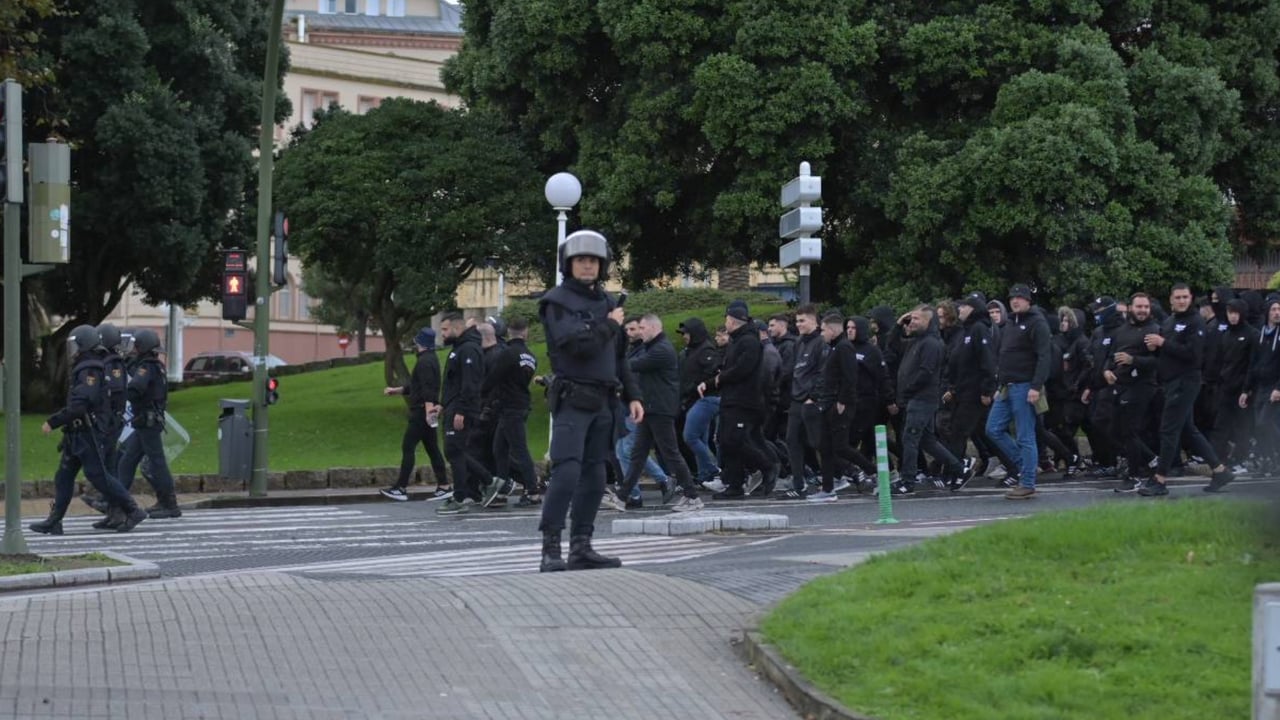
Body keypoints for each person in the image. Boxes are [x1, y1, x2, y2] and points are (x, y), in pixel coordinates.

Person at [537, 229, 642, 572]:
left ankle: (582, 545)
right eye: (581, 260)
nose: (587, 265)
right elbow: (575, 345)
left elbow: (620, 356)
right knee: (566, 472)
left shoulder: (609, 304)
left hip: (604, 400)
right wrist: (609, 326)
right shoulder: (557, 302)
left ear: (603, 265)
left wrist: (634, 394)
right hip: (573, 397)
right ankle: (550, 547)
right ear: (568, 264)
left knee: (596, 477)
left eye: (593, 260)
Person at [29, 325, 147, 535]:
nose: (72, 349)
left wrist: (53, 421)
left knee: (98, 475)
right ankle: (54, 521)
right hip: (77, 433)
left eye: (75, 344)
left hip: (87, 433)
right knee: (63, 476)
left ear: (84, 344)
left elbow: (81, 403)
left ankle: (133, 510)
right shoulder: (86, 365)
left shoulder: (90, 368)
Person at [1140, 283, 1234, 496]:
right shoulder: (1169, 321)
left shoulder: (1196, 322)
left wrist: (1163, 343)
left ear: (1190, 299)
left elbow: (1193, 355)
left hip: (1186, 381)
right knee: (1188, 430)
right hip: (1170, 382)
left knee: (1168, 430)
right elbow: (1165, 354)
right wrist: (1154, 349)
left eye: (1185, 297)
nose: (1182, 301)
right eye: (1178, 297)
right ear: (1171, 300)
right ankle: (1220, 471)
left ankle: (1160, 479)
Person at [612, 313, 703, 512]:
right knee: (637, 454)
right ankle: (622, 496)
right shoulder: (651, 347)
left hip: (660, 408)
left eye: (642, 328)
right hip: (650, 408)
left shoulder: (660, 350)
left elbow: (631, 366)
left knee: (670, 453)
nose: (639, 332)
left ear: (653, 328)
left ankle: (692, 496)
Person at [702, 301, 777, 499]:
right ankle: (734, 485)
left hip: (744, 400)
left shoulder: (749, 342)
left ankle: (766, 466)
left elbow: (743, 369)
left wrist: (720, 379)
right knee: (726, 442)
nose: (724, 323)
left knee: (735, 440)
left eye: (726, 319)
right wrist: (712, 381)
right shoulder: (737, 341)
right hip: (731, 398)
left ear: (733, 321)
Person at [894, 305, 971, 493]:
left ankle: (908, 481)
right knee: (927, 441)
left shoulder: (931, 344)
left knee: (910, 438)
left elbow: (925, 374)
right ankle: (960, 469)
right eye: (911, 319)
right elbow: (893, 345)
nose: (912, 322)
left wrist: (907, 390)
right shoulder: (916, 341)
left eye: (916, 319)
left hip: (921, 399)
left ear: (929, 322)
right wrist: (898, 325)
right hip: (916, 398)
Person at [985, 284, 1051, 500]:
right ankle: (1026, 464)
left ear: (1028, 300)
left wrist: (1036, 386)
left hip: (1025, 386)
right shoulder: (1010, 323)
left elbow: (1044, 356)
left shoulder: (1037, 322)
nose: (1015, 301)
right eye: (1012, 298)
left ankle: (1028, 481)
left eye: (1020, 298)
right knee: (993, 429)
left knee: (1025, 435)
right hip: (1007, 386)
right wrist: (999, 384)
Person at [115, 328, 182, 519]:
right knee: (127, 460)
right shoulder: (154, 365)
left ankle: (169, 504)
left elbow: (136, 388)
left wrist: (118, 395)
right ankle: (117, 500)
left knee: (157, 463)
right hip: (146, 422)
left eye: (136, 346)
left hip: (148, 422)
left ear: (142, 347)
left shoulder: (147, 367)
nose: (133, 350)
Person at [437, 312, 499, 514]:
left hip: (462, 408)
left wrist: (461, 410)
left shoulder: (469, 349)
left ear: (457, 328)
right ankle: (488, 483)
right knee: (455, 451)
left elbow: (470, 383)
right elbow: (454, 382)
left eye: (445, 329)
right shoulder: (460, 348)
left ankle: (463, 495)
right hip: (454, 406)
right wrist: (443, 404)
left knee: (455, 451)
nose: (443, 334)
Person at [381, 327, 448, 501]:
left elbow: (426, 388)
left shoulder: (424, 362)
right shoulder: (430, 359)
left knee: (408, 446)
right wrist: (397, 390)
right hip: (427, 409)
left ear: (420, 343)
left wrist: (427, 411)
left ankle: (401, 488)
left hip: (421, 411)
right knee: (433, 449)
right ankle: (444, 486)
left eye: (417, 341)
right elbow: (417, 386)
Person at [484, 317, 543, 507]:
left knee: (519, 450)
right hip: (520, 404)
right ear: (525, 332)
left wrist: (480, 395)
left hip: (510, 407)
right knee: (499, 449)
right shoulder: (531, 356)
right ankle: (501, 490)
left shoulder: (507, 354)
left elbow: (493, 378)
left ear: (509, 331)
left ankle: (532, 491)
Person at [1106, 292, 1160, 492]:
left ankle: (1135, 476)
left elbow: (1157, 362)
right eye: (1139, 306)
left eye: (1146, 307)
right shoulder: (1122, 330)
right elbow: (1111, 356)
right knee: (1115, 429)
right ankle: (1152, 459)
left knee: (1129, 430)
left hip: (1142, 386)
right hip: (1121, 384)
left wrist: (1133, 360)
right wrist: (1107, 371)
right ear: (1131, 308)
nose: (1143, 310)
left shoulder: (1153, 330)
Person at [780, 305, 826, 499]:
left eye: (803, 320)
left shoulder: (820, 343)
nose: (798, 324)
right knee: (792, 440)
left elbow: (823, 372)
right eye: (797, 321)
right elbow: (795, 371)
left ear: (814, 321)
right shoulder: (799, 342)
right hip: (797, 399)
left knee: (818, 442)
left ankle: (845, 473)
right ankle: (799, 485)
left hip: (812, 400)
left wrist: (813, 396)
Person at [677, 317, 722, 487]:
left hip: (706, 398)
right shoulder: (690, 351)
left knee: (690, 436)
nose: (684, 336)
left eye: (686, 333)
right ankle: (705, 475)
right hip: (694, 399)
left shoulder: (706, 351)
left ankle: (713, 469)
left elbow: (713, 373)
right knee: (700, 438)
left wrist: (696, 385)